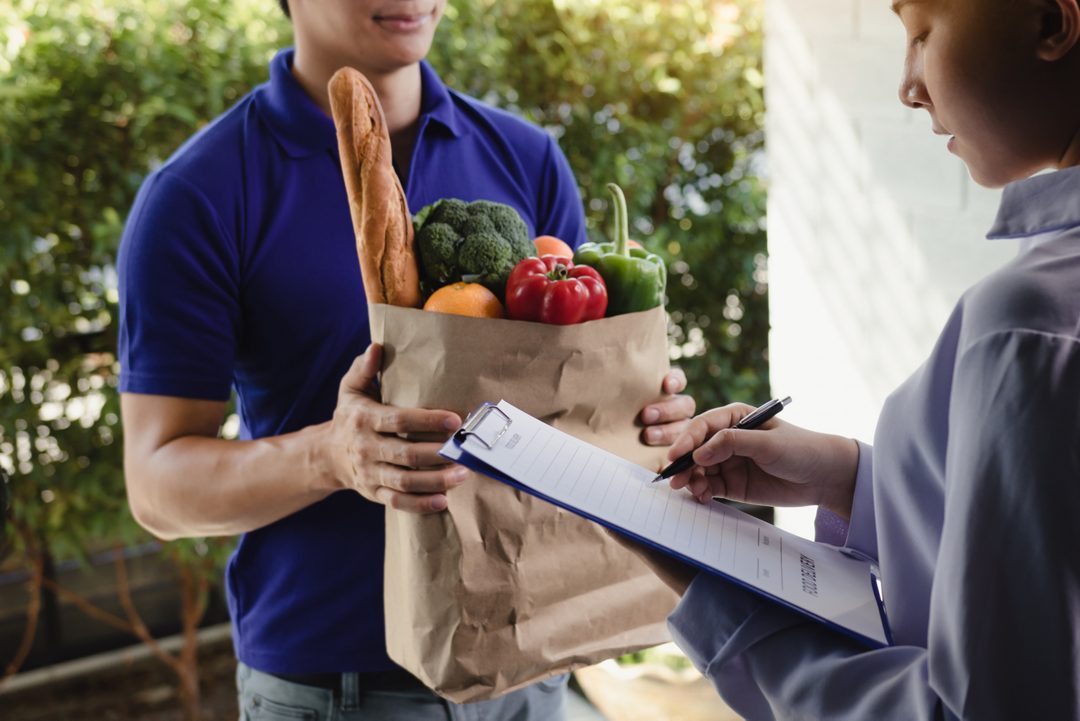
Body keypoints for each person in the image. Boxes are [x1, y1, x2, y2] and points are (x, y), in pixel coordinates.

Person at [639, 0, 1080, 718]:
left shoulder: (1054, 327)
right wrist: (850, 478)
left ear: (1049, 22)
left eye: (920, 32)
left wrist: (726, 606)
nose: (908, 85)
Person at [115, 0, 694, 719]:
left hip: (532, 660)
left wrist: (636, 414)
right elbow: (156, 485)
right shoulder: (199, 193)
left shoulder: (526, 158)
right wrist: (332, 455)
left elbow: (565, 406)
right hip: (339, 686)